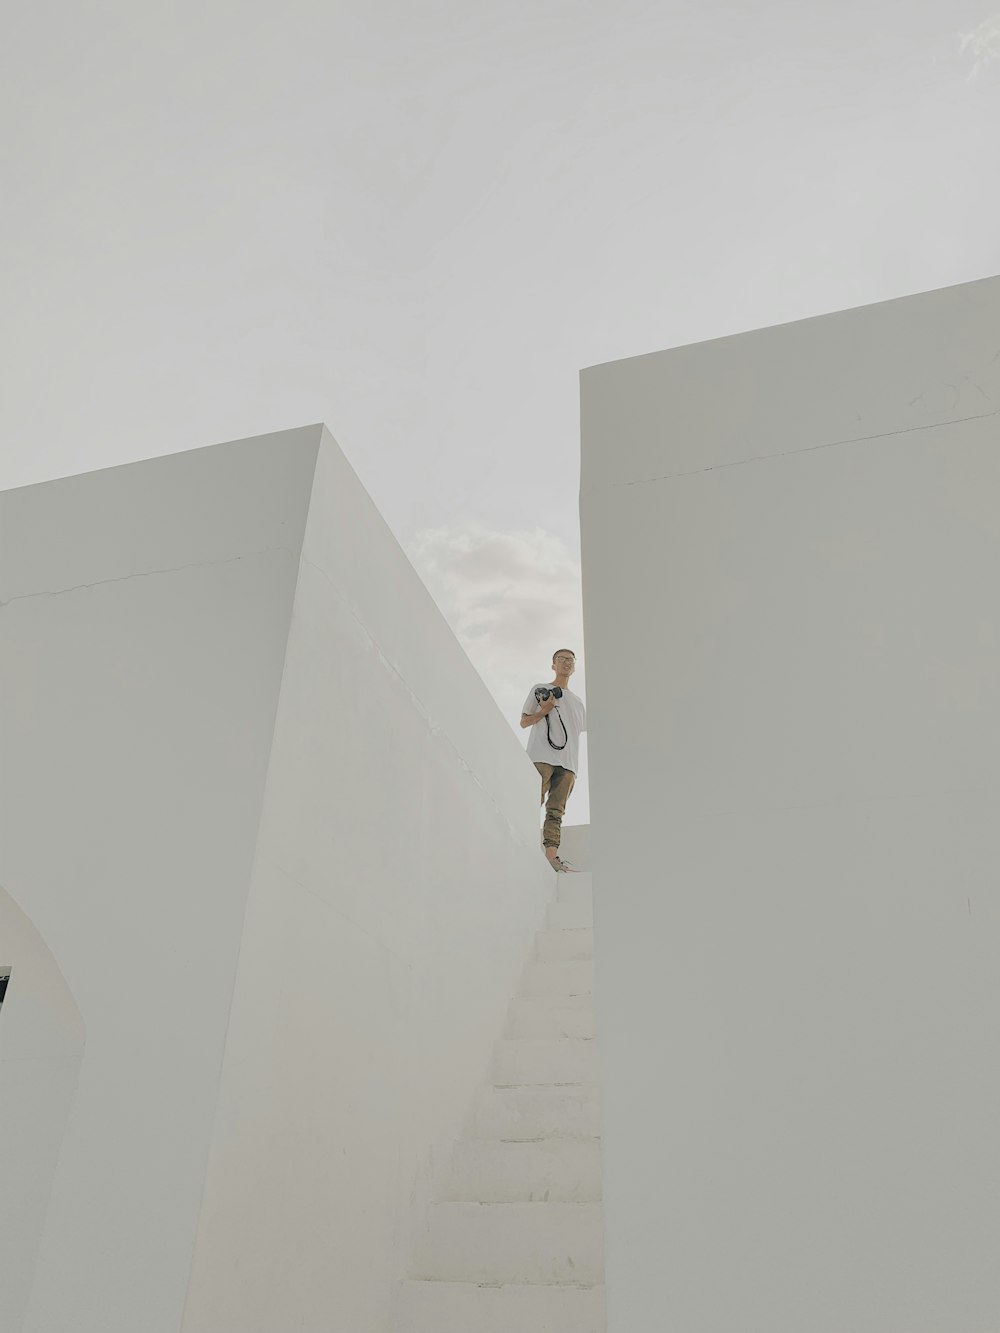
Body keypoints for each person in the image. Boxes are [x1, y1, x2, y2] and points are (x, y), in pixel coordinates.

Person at [520, 649, 587, 872]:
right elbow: (524, 722)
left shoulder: (578, 702)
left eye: (570, 660)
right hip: (542, 756)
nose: (566, 663)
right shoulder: (541, 690)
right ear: (553, 665)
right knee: (531, 801)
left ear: (574, 666)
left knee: (556, 811)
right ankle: (521, 844)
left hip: (568, 764)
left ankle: (551, 857)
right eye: (561, 659)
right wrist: (545, 710)